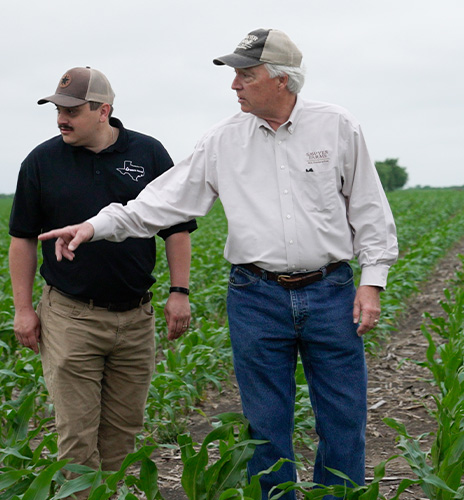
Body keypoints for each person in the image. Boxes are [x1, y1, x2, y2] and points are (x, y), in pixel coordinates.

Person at [39, 29, 399, 499]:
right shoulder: (223, 140)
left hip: (331, 292)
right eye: (235, 75)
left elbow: (370, 209)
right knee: (266, 427)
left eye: (246, 75)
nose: (235, 85)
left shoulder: (337, 127)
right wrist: (93, 227)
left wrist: (372, 282)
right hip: (257, 296)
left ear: (283, 81)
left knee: (343, 418)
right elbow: (157, 204)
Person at [9, 67, 197, 482]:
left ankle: (113, 493)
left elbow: (177, 228)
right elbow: (22, 239)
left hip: (135, 319)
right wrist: (23, 309)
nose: (62, 118)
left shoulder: (148, 154)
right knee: (76, 436)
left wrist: (179, 291)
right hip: (70, 316)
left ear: (103, 110)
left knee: (123, 435)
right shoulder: (41, 162)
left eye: (72, 110)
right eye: (58, 109)